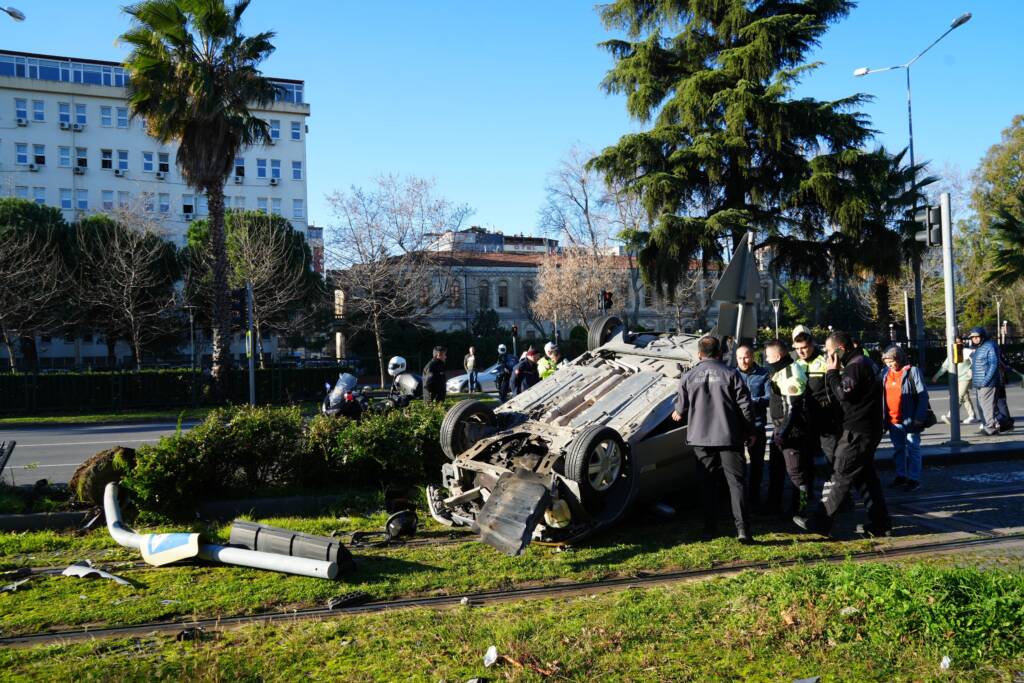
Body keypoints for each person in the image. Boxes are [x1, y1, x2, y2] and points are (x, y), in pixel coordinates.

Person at [794, 330, 892, 538]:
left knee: (840, 476)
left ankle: (820, 522)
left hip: (856, 432)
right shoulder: (865, 361)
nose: (827, 355)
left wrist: (831, 373)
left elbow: (842, 395)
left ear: (840, 349)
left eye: (829, 351)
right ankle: (880, 523)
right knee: (867, 479)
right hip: (867, 429)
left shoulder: (855, 366)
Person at [672, 336, 756, 543]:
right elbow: (746, 406)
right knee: (736, 483)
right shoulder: (732, 374)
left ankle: (709, 528)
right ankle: (742, 529)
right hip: (729, 437)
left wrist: (677, 412)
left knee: (707, 484)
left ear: (699, 354)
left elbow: (680, 411)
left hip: (700, 439)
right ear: (720, 353)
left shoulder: (688, 377)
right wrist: (749, 432)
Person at [793, 329, 849, 510]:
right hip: (805, 420)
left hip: (826, 418)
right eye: (798, 348)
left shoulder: (824, 361)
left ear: (812, 345)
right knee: (805, 460)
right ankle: (806, 497)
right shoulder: (796, 364)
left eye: (805, 348)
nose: (801, 352)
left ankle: (840, 499)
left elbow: (838, 385)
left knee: (832, 459)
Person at [764, 339, 814, 516]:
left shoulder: (791, 373)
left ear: (777, 356)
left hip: (791, 431)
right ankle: (773, 505)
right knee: (775, 470)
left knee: (796, 473)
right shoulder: (780, 370)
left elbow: (793, 408)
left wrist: (783, 433)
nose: (766, 360)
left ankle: (800, 509)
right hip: (780, 428)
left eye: (768, 357)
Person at [880, 345, 930, 492]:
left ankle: (914, 479)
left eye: (891, 361)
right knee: (898, 449)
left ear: (899, 358)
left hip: (910, 419)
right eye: (886, 361)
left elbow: (923, 395)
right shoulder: (885, 373)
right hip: (892, 420)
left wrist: (919, 416)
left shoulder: (912, 371)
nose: (889, 364)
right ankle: (901, 475)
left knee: (913, 448)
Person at [734, 344, 774, 508]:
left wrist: (750, 402)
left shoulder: (764, 373)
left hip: (757, 425)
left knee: (757, 464)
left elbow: (769, 397)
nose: (743, 360)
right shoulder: (732, 374)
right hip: (736, 426)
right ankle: (741, 499)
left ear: (753, 356)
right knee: (738, 465)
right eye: (740, 357)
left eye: (747, 356)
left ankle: (755, 497)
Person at [969, 327, 1002, 436]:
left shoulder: (990, 346)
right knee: (983, 406)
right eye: (973, 337)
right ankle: (992, 425)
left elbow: (994, 364)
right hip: (980, 382)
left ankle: (990, 427)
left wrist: (986, 380)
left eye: (977, 337)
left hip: (987, 383)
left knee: (986, 406)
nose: (975, 339)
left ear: (982, 336)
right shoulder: (980, 347)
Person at [932, 346, 977, 424]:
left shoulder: (966, 351)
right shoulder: (951, 354)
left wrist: (971, 369)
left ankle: (951, 416)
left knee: (959, 396)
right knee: (965, 397)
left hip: (966, 377)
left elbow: (975, 359)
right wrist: (936, 376)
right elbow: (944, 367)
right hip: (957, 379)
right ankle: (972, 416)